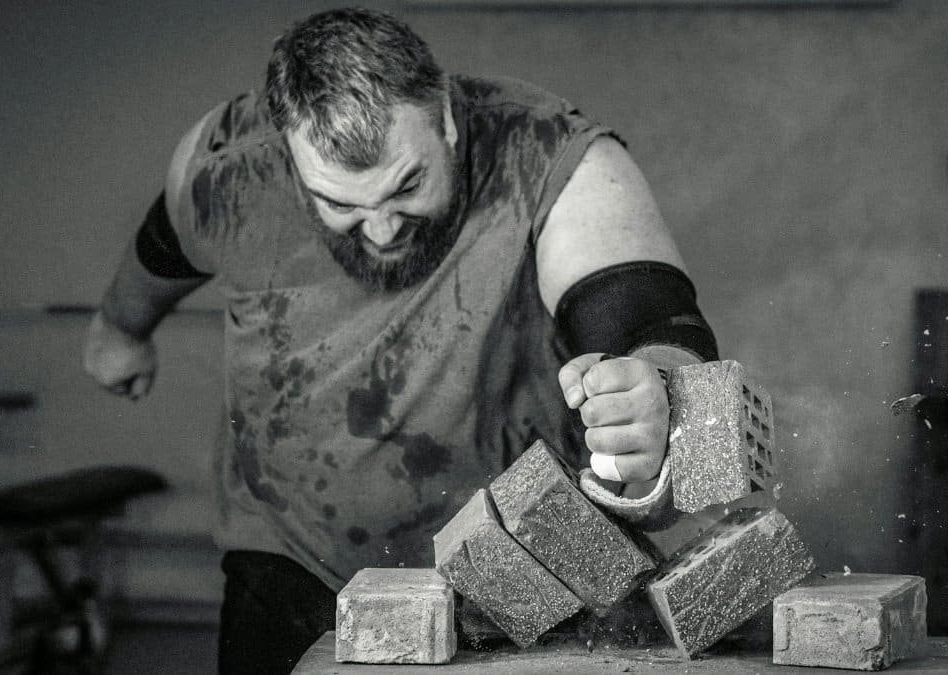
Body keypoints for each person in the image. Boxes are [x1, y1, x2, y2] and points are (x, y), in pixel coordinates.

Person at [83, 7, 717, 673]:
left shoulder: (546, 150)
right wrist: (120, 328)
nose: (383, 230)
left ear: (443, 118)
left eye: (407, 185)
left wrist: (655, 391)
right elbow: (166, 245)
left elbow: (652, 321)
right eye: (342, 205)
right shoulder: (230, 167)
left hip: (518, 563)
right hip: (293, 552)